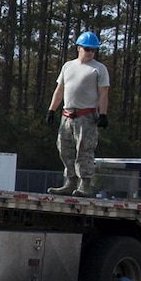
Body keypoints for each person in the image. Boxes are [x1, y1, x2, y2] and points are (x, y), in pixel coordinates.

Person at [46, 31, 111, 195]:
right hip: (67, 115)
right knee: (64, 149)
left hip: (86, 115)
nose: (90, 52)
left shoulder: (98, 69)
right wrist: (51, 110)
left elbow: (104, 93)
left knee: (85, 150)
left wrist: (103, 114)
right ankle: (70, 181)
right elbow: (59, 90)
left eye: (93, 50)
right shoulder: (68, 66)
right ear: (79, 48)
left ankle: (85, 184)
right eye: (87, 49)